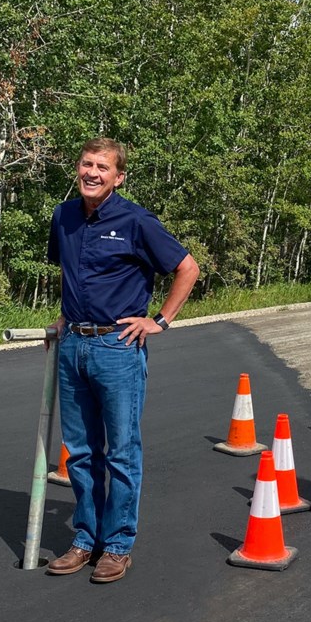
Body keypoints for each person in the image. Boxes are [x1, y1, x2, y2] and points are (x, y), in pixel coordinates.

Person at [44, 137, 200, 583]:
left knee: (121, 452)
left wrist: (161, 320)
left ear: (118, 177)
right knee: (80, 452)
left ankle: (117, 546)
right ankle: (84, 539)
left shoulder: (135, 220)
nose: (92, 173)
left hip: (118, 347)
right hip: (74, 345)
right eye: (86, 164)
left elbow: (187, 268)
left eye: (102, 167)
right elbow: (71, 275)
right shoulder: (64, 216)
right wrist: (62, 320)